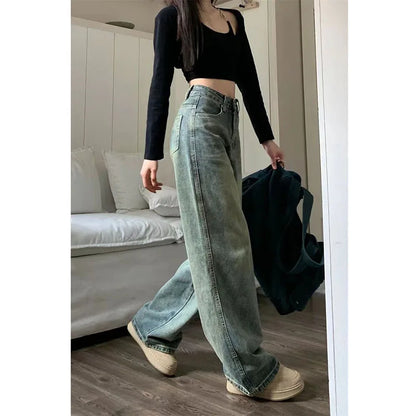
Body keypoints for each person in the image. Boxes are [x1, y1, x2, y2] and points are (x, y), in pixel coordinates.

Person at [127, 0, 304, 401]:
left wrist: (267, 138)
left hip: (229, 124)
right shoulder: (173, 17)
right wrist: (151, 153)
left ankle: (152, 324)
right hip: (197, 124)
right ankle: (246, 368)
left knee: (216, 242)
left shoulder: (233, 19)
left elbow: (249, 80)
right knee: (223, 245)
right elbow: (159, 83)